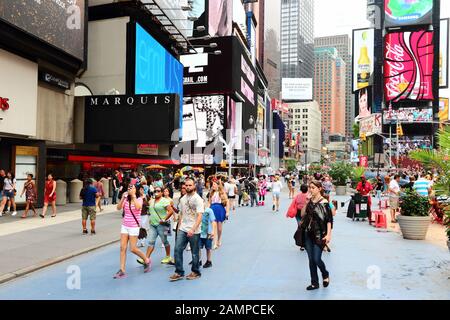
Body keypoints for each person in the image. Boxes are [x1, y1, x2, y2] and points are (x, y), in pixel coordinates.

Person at [299, 180, 333, 290]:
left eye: (313, 187)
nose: (311, 189)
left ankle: (325, 273)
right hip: (308, 234)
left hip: (320, 235)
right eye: (310, 187)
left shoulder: (324, 202)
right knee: (311, 259)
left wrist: (328, 235)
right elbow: (302, 214)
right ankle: (314, 282)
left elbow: (329, 220)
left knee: (317, 258)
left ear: (319, 189)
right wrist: (307, 201)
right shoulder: (309, 201)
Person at [169, 178, 204, 282]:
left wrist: (193, 229)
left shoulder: (198, 199)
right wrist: (179, 227)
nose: (188, 187)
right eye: (186, 185)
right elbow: (181, 214)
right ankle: (179, 272)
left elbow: (199, 216)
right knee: (177, 249)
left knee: (194, 252)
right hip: (183, 228)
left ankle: (195, 272)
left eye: (190, 185)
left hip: (194, 230)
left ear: (194, 186)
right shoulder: (183, 199)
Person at [114, 184, 151, 279]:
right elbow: (118, 208)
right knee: (122, 247)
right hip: (125, 225)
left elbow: (138, 207)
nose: (130, 189)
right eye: (129, 187)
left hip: (134, 226)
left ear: (136, 190)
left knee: (133, 248)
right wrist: (122, 197)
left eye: (132, 187)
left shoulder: (139, 199)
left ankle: (146, 260)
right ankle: (122, 269)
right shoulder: (126, 199)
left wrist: (133, 195)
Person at [138, 186, 174, 266]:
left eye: (158, 191)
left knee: (164, 241)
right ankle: (146, 258)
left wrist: (164, 219)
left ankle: (168, 256)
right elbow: (147, 209)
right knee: (151, 241)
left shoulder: (164, 201)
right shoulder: (151, 201)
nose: (156, 192)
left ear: (161, 192)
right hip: (153, 225)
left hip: (162, 225)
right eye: (155, 191)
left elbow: (171, 211)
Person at [208, 180, 229, 250]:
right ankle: (215, 243)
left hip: (220, 210)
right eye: (212, 185)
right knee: (213, 227)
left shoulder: (222, 193)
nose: (212, 186)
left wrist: (227, 212)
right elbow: (209, 203)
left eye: (214, 184)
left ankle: (219, 239)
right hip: (212, 210)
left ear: (217, 185)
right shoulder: (211, 193)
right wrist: (207, 210)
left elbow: (227, 202)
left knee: (219, 228)